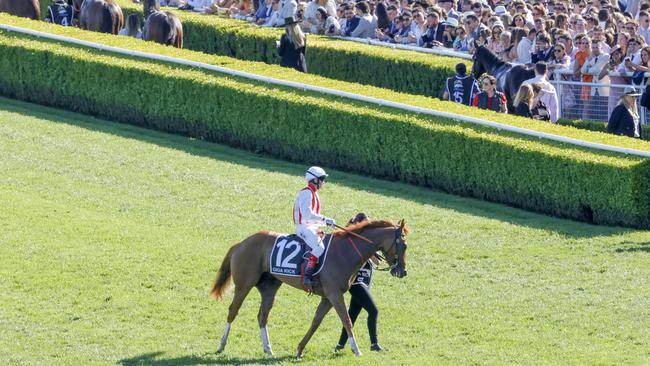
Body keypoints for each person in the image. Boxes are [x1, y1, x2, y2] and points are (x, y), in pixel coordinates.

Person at [334, 213, 384, 353]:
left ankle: (340, 346)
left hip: (365, 283)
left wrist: (371, 248)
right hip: (356, 283)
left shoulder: (366, 245)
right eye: (365, 224)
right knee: (373, 311)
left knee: (352, 316)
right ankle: (374, 344)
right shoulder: (352, 243)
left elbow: (377, 262)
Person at [293, 166, 336, 287]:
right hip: (303, 227)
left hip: (310, 226)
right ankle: (307, 275)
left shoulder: (314, 194)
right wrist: (325, 219)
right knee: (320, 248)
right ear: (315, 180)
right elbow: (307, 215)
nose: (323, 182)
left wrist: (326, 223)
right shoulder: (306, 193)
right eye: (322, 179)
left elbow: (312, 217)